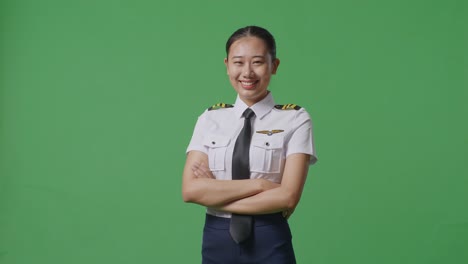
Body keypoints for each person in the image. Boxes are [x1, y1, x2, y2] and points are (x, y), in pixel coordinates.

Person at [182, 25, 317, 264]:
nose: (247, 72)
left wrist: (216, 192)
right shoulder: (210, 119)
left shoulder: (295, 119)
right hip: (216, 239)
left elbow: (287, 198)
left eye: (257, 62)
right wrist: (262, 185)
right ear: (227, 65)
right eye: (238, 62)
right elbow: (191, 191)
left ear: (274, 66)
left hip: (269, 237)